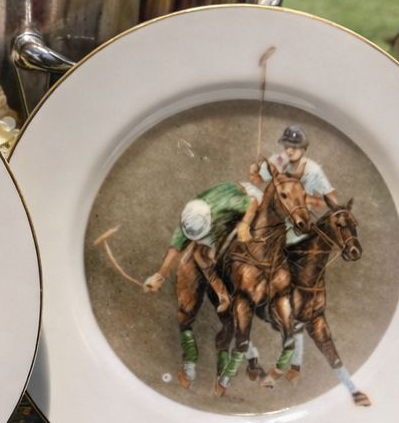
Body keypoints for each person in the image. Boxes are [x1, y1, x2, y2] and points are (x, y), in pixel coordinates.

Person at [143, 179, 262, 388]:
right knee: (198, 255)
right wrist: (160, 275)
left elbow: (252, 201)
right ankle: (190, 359)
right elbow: (174, 249)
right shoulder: (188, 219)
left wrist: (244, 225)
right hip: (211, 228)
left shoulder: (227, 205)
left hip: (246, 203)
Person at [257, 125, 341, 245]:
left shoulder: (313, 170)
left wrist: (308, 199)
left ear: (304, 149)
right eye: (287, 146)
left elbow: (331, 202)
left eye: (295, 147)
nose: (289, 150)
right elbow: (257, 180)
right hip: (272, 215)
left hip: (298, 218)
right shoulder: (278, 161)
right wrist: (255, 171)